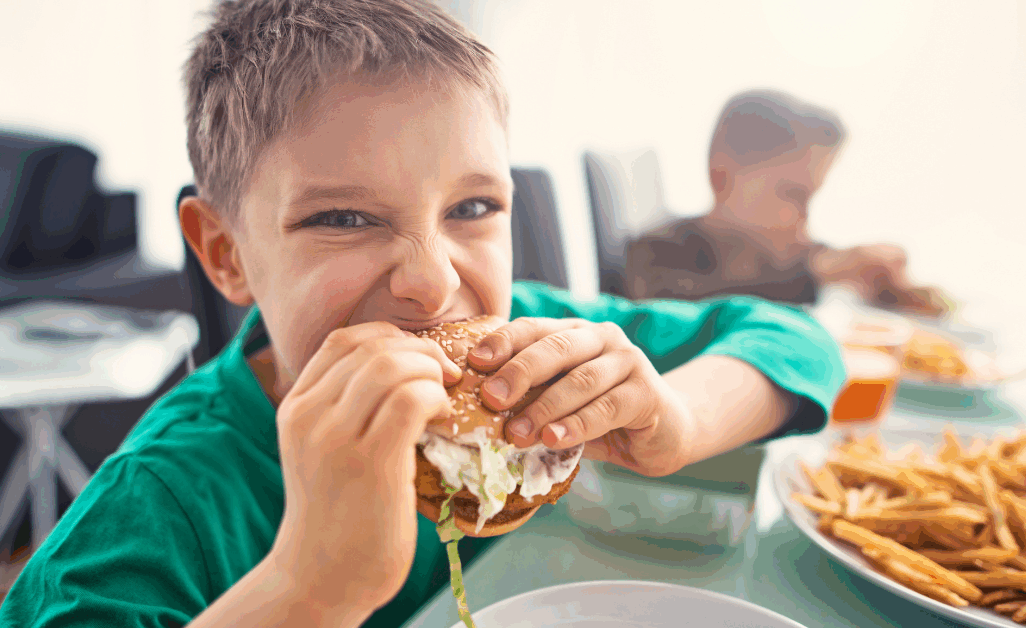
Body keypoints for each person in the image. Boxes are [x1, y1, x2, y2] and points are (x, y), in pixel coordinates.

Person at [0, 3, 845, 627]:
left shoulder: (534, 343)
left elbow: (796, 340)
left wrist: (674, 416)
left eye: (473, 208)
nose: (431, 284)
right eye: (343, 219)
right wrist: (307, 586)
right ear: (225, 253)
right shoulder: (164, 502)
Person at [626, 90, 949, 315]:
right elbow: (699, 311)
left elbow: (812, 259)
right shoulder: (657, 254)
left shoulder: (782, 253)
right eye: (793, 194)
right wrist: (816, 273)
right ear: (722, 177)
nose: (805, 217)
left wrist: (876, 277)